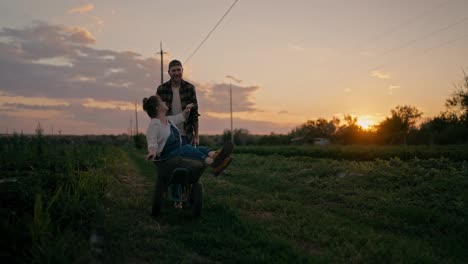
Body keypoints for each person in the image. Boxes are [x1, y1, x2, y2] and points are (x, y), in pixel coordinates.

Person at [143, 95, 233, 208]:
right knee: (187, 148)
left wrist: (187, 110)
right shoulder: (154, 125)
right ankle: (213, 162)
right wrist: (152, 152)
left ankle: (216, 156)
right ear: (158, 108)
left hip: (177, 151)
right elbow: (151, 142)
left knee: (199, 149)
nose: (164, 101)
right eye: (161, 101)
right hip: (167, 157)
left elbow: (182, 117)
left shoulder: (169, 120)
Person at [157, 59, 199, 146]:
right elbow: (157, 113)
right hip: (168, 135)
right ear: (169, 72)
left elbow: (194, 114)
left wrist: (196, 135)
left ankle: (214, 156)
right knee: (171, 159)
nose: (176, 73)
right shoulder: (161, 89)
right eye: (173, 70)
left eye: (178, 70)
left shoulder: (190, 88)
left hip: (186, 135)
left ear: (182, 70)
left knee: (189, 157)